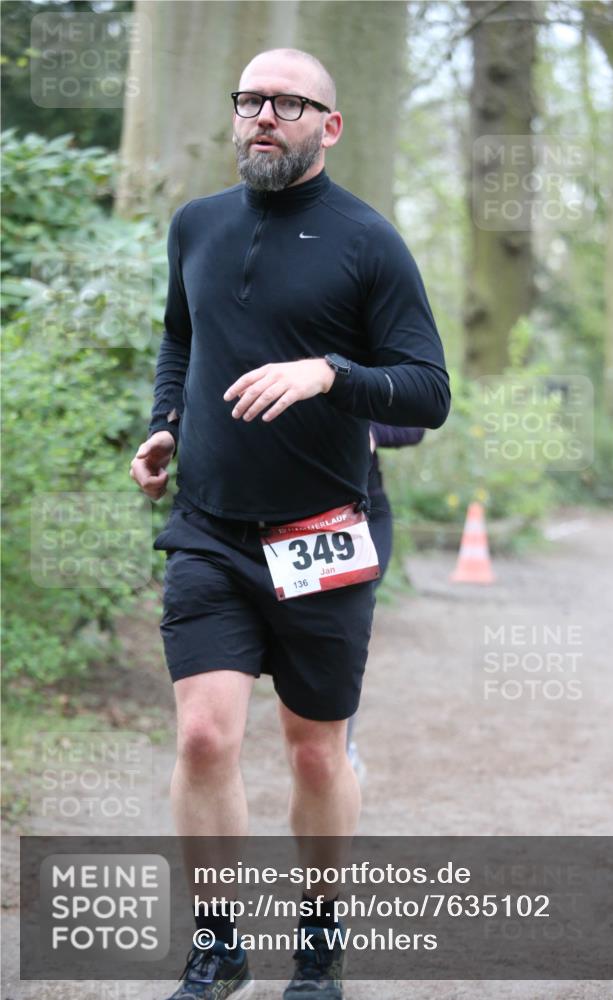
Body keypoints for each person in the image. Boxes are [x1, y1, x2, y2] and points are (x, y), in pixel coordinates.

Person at [130, 47, 450, 1000]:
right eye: (250, 100)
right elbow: (179, 334)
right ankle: (219, 943)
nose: (264, 115)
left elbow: (428, 392)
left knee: (313, 748)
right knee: (202, 737)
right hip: (211, 531)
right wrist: (164, 425)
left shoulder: (368, 241)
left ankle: (318, 942)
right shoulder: (196, 225)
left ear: (329, 125)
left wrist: (328, 373)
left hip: (323, 533)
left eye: (287, 103)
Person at [346, 423, 426, 778]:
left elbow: (417, 420)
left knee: (340, 635)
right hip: (265, 514)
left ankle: (341, 748)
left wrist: (372, 431)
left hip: (358, 512)